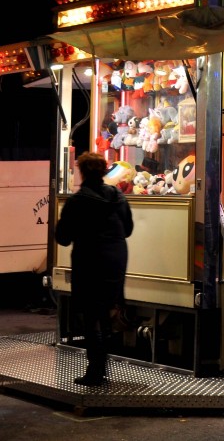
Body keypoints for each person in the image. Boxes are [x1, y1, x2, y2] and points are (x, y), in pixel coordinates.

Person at [54, 151, 134, 386]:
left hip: (89, 261)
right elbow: (128, 229)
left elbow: (63, 237)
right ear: (104, 170)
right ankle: (103, 366)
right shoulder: (118, 197)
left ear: (82, 171)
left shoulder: (77, 201)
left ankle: (95, 371)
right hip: (116, 260)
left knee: (91, 317)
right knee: (109, 312)